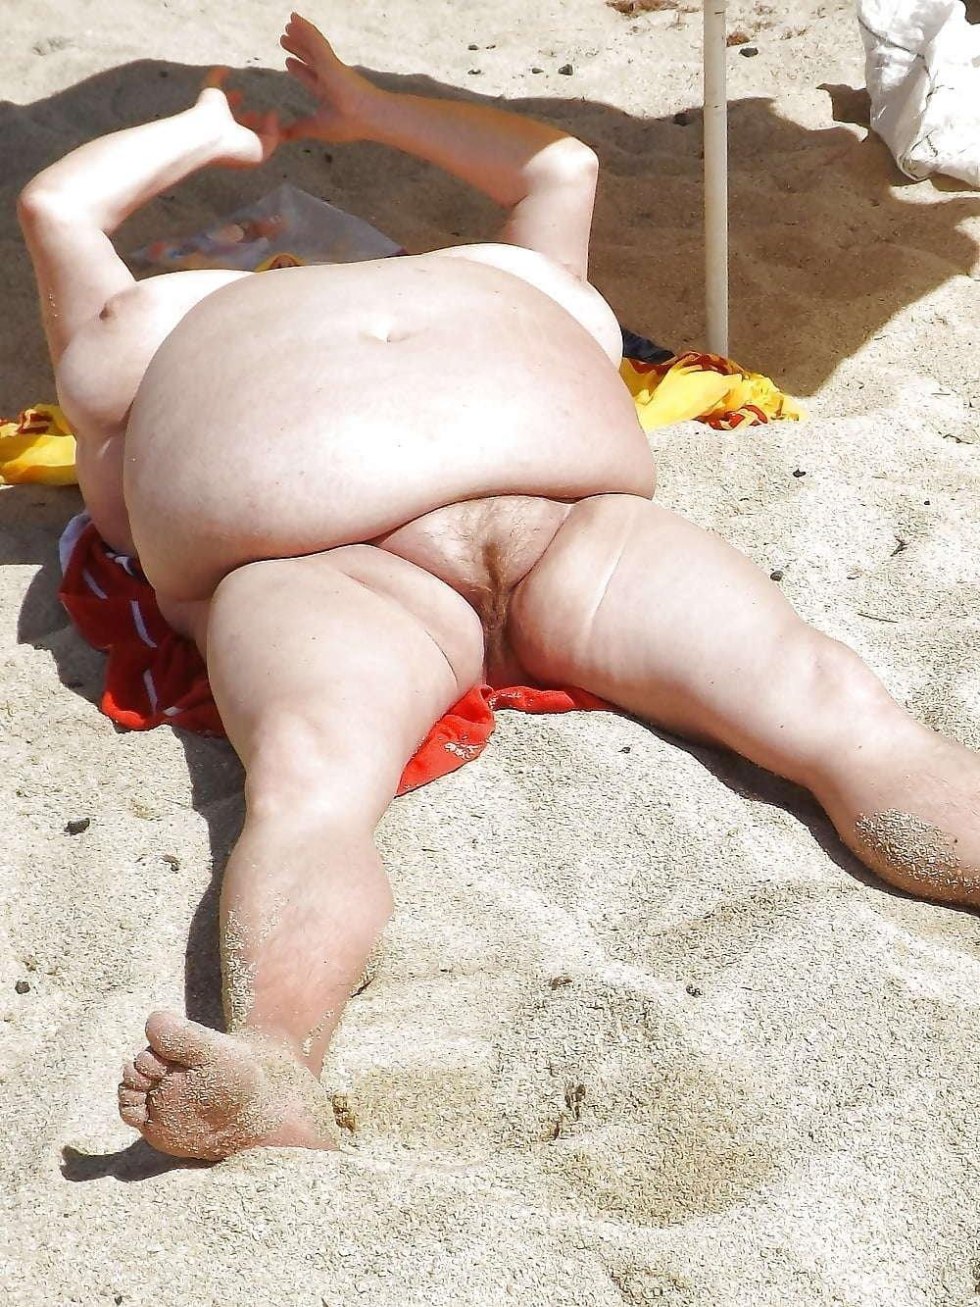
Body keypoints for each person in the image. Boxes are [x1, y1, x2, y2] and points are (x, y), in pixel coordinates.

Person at [17, 12, 980, 1163]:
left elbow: (556, 164)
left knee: (826, 694)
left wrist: (366, 108)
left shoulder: (501, 269)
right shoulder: (139, 324)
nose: (259, 236)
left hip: (570, 526)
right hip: (324, 567)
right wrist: (206, 126)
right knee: (312, 783)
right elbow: (58, 211)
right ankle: (273, 1058)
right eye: (233, 234)